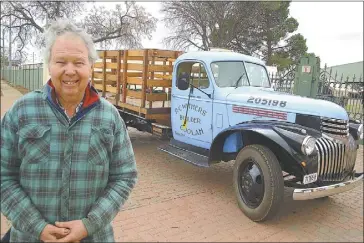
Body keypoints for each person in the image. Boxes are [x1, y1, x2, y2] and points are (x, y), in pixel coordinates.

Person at [1, 18, 138, 242]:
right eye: (61, 62)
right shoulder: (21, 111)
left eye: (79, 62)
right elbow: (4, 177)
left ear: (91, 66)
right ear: (49, 65)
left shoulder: (109, 117)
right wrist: (37, 227)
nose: (70, 71)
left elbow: (125, 177)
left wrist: (88, 224)